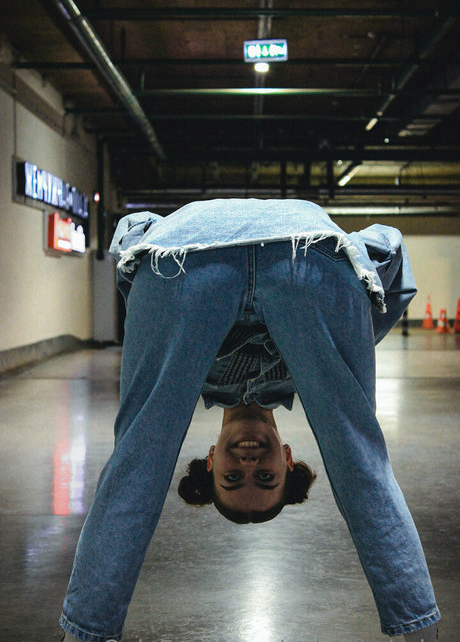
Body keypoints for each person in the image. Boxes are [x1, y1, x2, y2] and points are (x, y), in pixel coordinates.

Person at [60, 198, 440, 642]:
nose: (248, 464)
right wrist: (349, 329)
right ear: (287, 459)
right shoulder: (304, 370)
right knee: (361, 464)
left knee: (137, 465)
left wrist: (354, 322)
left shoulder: (194, 372)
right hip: (299, 253)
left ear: (210, 461)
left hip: (189, 254)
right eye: (265, 477)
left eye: (232, 478)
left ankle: (86, 632)